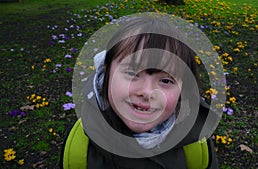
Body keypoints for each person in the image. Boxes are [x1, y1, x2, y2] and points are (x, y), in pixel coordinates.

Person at [61, 14, 219, 169]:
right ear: (106, 73)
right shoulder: (79, 149)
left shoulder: (195, 144)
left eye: (165, 80)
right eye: (131, 73)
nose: (147, 92)